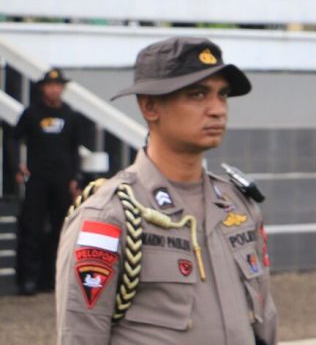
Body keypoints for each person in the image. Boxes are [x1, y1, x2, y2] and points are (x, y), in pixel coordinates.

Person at [55, 37, 277, 344]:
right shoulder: (108, 215)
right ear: (150, 106)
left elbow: (265, 322)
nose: (217, 110)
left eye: (222, 95)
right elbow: (81, 334)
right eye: (197, 95)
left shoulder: (238, 205)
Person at [9, 67, 83, 295]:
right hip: (38, 180)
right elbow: (13, 138)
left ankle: (51, 277)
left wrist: (75, 178)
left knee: (61, 228)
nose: (54, 89)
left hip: (62, 181)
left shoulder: (70, 115)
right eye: (50, 85)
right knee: (31, 227)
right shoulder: (32, 113)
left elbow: (74, 149)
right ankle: (28, 279)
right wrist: (15, 167)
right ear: (43, 88)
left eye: (58, 85)